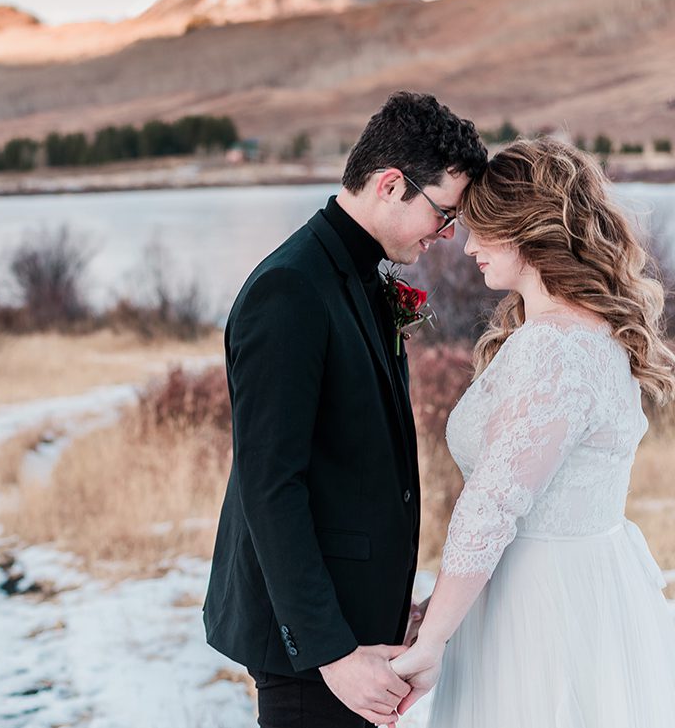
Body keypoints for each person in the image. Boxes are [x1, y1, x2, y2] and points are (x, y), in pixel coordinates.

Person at [389, 136, 675, 727]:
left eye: (482, 227)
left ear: (526, 229)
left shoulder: (555, 348)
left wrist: (433, 639)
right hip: (577, 586)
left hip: (541, 606)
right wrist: (441, 608)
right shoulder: (588, 334)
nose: (469, 246)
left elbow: (492, 504)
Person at [202, 91, 488, 727]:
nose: (445, 237)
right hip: (309, 649)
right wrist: (332, 653)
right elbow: (270, 485)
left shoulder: (356, 273)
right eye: (443, 213)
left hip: (356, 623)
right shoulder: (290, 290)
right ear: (391, 184)